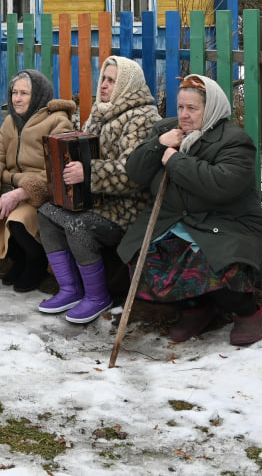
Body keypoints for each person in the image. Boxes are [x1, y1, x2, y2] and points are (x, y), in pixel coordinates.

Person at [120, 75, 262, 346]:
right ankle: (196, 309)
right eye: (180, 108)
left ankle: (246, 312)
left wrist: (175, 160)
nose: (184, 115)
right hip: (176, 221)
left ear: (210, 108)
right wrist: (158, 145)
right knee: (149, 259)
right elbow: (136, 173)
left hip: (226, 224)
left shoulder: (235, 141)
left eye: (192, 108)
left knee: (213, 263)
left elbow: (220, 185)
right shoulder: (167, 130)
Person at [37, 56, 161, 324]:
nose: (103, 85)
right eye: (104, 78)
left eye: (112, 80)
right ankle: (70, 289)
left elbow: (134, 175)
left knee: (78, 225)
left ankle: (97, 296)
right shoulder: (100, 110)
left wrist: (89, 172)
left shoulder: (143, 117)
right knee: (47, 211)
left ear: (127, 85)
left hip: (129, 208)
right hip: (96, 198)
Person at [0, 70, 76, 292]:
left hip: (40, 195)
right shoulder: (10, 123)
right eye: (14, 92)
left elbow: (57, 170)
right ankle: (21, 259)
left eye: (24, 93)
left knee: (17, 220)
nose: (17, 98)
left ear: (39, 95)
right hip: (8, 188)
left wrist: (22, 192)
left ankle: (36, 262)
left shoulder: (58, 122)